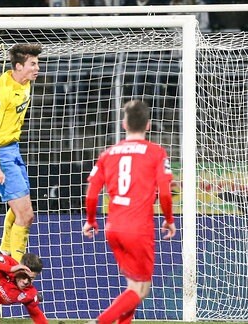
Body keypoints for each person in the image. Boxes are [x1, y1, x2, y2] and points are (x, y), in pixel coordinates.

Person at [82, 99, 176, 324]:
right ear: (149, 125)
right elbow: (164, 191)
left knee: (130, 287)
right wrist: (169, 219)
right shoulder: (156, 153)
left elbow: (92, 192)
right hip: (138, 229)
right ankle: (99, 322)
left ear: (124, 124)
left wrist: (91, 220)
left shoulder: (109, 153)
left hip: (113, 227)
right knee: (140, 290)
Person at [0, 43, 42, 262]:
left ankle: (4, 252)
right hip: (0, 153)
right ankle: (17, 267)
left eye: (37, 63)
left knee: (20, 211)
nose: (38, 68)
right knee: (26, 215)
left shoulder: (25, 83)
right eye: (32, 64)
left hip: (14, 150)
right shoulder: (2, 88)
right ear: (18, 66)